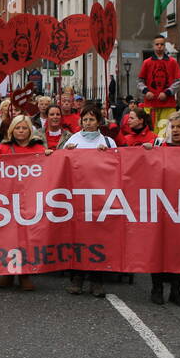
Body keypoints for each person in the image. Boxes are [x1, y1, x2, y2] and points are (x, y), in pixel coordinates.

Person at [60, 104, 117, 296]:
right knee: (77, 238)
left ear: (99, 122)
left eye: (92, 119)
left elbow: (118, 166)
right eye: (85, 119)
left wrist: (107, 156)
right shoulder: (72, 140)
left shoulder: (108, 142)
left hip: (99, 198)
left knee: (98, 239)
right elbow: (59, 166)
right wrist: (65, 153)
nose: (88, 123)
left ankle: (96, 280)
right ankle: (77, 278)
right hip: (77, 198)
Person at [0, 115, 49, 292]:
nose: (21, 131)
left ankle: (25, 273)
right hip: (8, 198)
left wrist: (50, 156)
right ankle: (8, 272)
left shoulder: (39, 147)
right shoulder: (3, 148)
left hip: (30, 198)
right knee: (8, 236)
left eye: (24, 128)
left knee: (27, 237)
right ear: (12, 130)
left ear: (30, 130)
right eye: (18, 128)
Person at [148, 110, 180, 306]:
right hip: (160, 203)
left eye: (179, 127)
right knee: (158, 246)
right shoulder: (159, 146)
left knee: (179, 247)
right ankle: (157, 287)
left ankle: (176, 290)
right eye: (172, 126)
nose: (175, 130)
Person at [138, 35, 180, 131]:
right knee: (151, 131)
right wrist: (146, 91)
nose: (159, 46)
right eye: (157, 44)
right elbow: (140, 81)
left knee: (166, 131)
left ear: (165, 46)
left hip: (168, 104)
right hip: (151, 104)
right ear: (153, 46)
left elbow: (178, 81)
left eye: (162, 44)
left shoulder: (172, 62)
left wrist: (167, 93)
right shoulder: (147, 62)